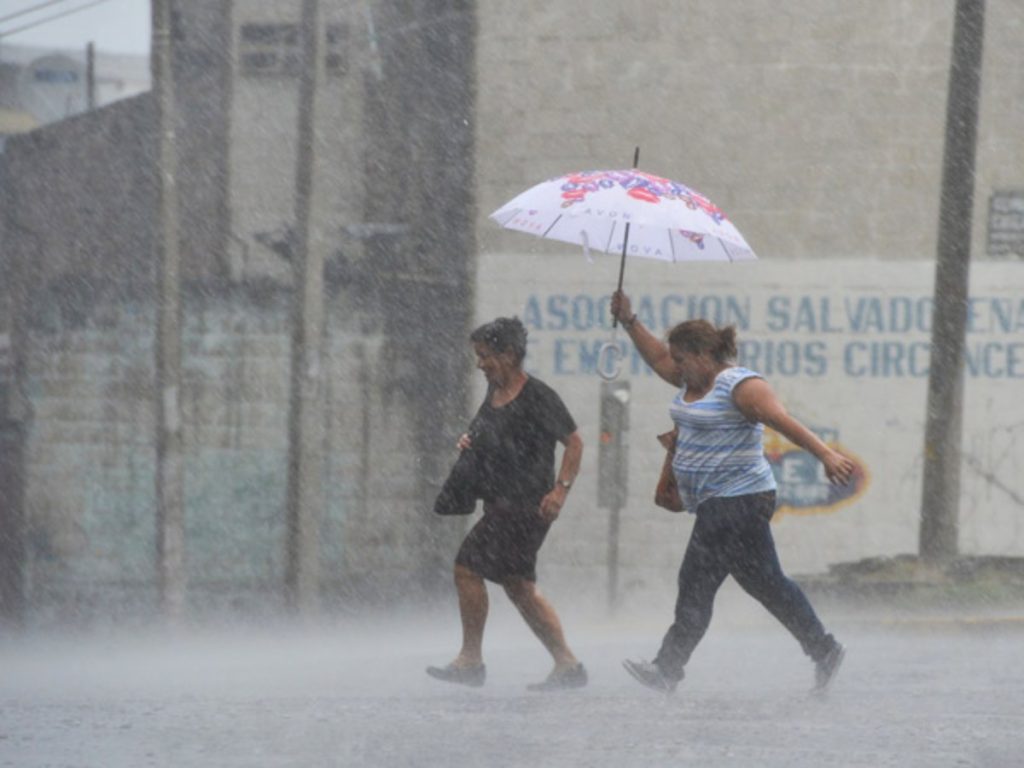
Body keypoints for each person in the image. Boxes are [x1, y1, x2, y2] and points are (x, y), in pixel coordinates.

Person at [610, 291, 855, 695]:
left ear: (704, 354)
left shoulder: (740, 386)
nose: (677, 367)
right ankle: (823, 648)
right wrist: (629, 320)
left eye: (683, 359)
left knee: (695, 582)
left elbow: (783, 421)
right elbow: (656, 358)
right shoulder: (692, 378)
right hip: (717, 502)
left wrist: (825, 454)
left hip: (739, 500)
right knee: (767, 584)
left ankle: (667, 668)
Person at [427, 317, 587, 691]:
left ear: (509, 354)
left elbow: (575, 442)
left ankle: (470, 660)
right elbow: (490, 434)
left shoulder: (538, 396)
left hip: (526, 507)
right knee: (519, 587)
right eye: (478, 356)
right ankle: (567, 664)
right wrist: (470, 443)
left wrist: (560, 490)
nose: (480, 364)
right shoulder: (494, 391)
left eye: (486, 356)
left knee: (467, 567)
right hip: (499, 503)